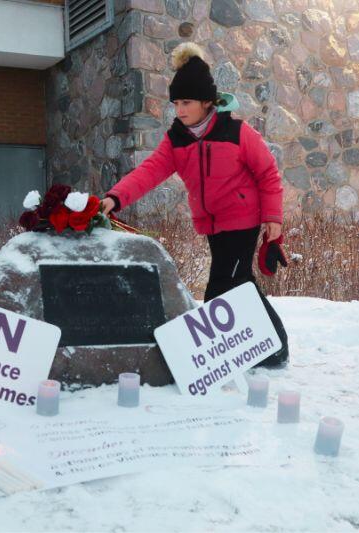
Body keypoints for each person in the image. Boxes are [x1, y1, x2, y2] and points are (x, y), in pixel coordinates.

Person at [99, 42, 289, 367]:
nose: (180, 110)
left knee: (225, 286)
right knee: (237, 283)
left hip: (242, 220)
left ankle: (268, 350)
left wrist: (273, 218)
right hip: (213, 225)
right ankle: (264, 348)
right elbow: (148, 172)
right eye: (176, 103)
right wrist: (114, 198)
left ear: (206, 102)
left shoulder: (236, 132)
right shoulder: (177, 139)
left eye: (186, 102)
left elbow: (268, 174)